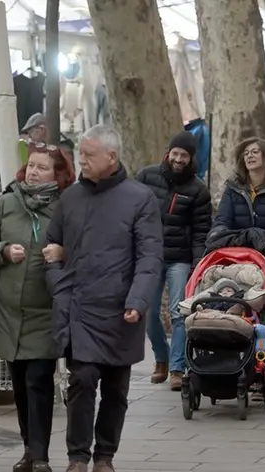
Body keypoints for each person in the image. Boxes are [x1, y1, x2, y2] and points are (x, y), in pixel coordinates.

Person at [44, 125, 163, 472]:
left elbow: (150, 257)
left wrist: (137, 301)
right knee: (81, 381)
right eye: (80, 154)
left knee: (116, 391)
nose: (81, 160)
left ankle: (105, 456)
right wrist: (60, 288)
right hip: (79, 308)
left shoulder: (139, 198)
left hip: (121, 310)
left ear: (111, 157)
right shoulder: (69, 198)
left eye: (89, 155)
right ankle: (77, 457)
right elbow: (49, 252)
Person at [0, 144, 75, 472]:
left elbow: (82, 248)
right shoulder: (7, 202)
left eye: (42, 168)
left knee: (39, 382)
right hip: (7, 313)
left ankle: (41, 456)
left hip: (44, 312)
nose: (33, 172)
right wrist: (2, 251)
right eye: (30, 166)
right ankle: (29, 452)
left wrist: (62, 252)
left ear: (57, 174)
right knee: (21, 385)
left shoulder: (66, 207)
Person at [135, 131, 212, 390]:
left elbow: (202, 230)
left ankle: (177, 368)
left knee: (179, 313)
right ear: (168, 153)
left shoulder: (198, 189)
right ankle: (162, 357)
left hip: (180, 258)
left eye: (184, 155)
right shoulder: (146, 177)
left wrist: (197, 263)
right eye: (175, 154)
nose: (179, 159)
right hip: (150, 255)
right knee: (148, 312)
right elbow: (132, 212)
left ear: (191, 159)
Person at [211, 137, 265, 355]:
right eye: (246, 152)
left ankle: (261, 373)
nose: (250, 155)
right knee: (234, 316)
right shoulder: (234, 187)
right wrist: (235, 238)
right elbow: (222, 221)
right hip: (237, 263)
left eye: (255, 151)